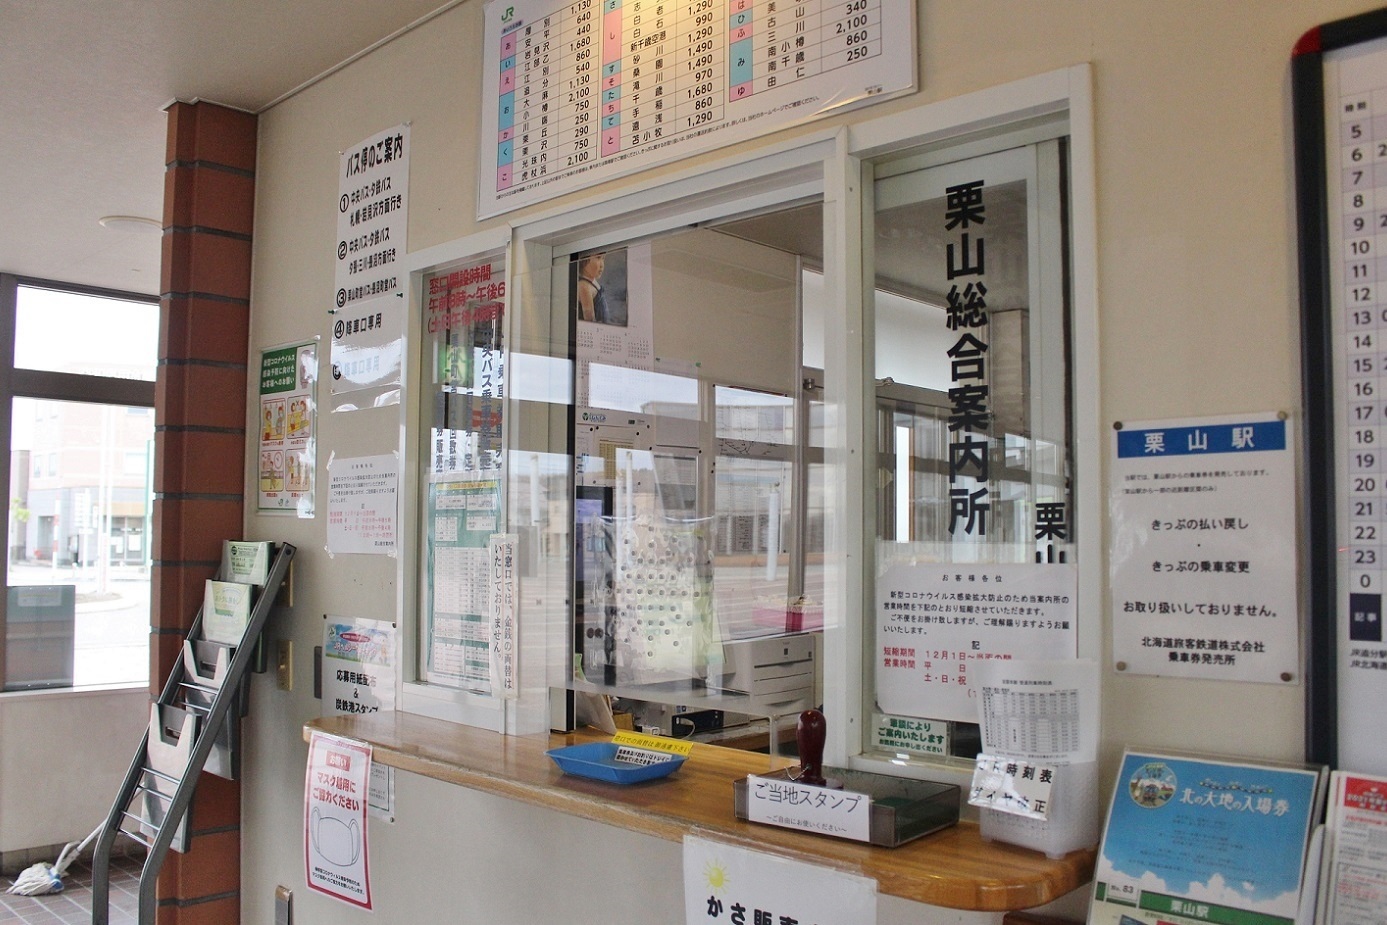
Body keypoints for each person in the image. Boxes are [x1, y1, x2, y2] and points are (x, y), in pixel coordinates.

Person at [576, 253, 607, 323]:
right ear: (584, 260)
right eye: (598, 258)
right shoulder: (584, 286)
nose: (602, 265)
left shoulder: (592, 282)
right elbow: (590, 320)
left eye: (603, 259)